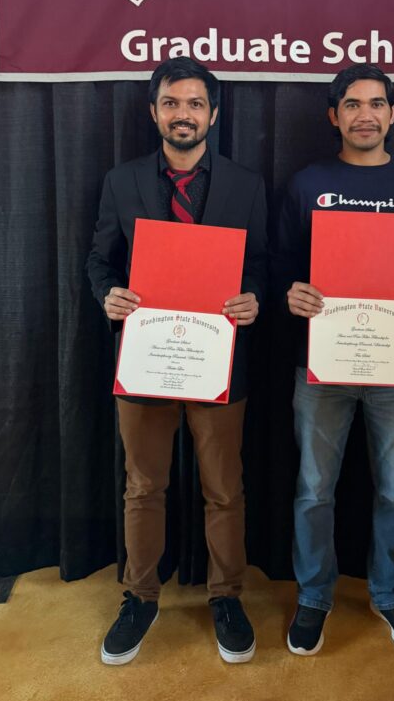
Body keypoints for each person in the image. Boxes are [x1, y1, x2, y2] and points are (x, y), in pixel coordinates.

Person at [274, 64, 394, 656]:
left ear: (393, 114)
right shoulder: (308, 184)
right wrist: (291, 289)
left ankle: (390, 593)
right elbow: (278, 259)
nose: (365, 114)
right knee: (312, 490)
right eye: (352, 104)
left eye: (376, 104)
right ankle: (313, 597)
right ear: (334, 115)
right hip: (322, 366)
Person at [86, 56, 266, 666]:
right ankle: (139, 597)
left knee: (224, 489)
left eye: (194, 104)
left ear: (213, 114)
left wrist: (256, 297)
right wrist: (106, 294)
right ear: (154, 110)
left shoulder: (246, 184)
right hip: (145, 357)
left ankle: (226, 596)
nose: (182, 114)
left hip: (219, 360)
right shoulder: (122, 180)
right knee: (144, 487)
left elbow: (262, 262)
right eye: (171, 102)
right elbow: (99, 261)